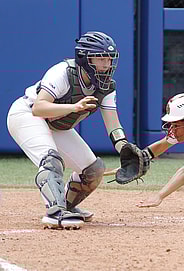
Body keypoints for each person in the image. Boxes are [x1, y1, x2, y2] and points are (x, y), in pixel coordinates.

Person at [7, 31, 131, 229]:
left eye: (109, 59)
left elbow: (113, 124)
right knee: (51, 160)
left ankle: (67, 206)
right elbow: (39, 108)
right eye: (100, 59)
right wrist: (74, 108)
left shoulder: (106, 86)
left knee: (93, 170)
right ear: (84, 58)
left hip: (57, 124)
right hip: (27, 115)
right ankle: (55, 212)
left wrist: (125, 148)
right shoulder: (63, 72)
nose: (106, 65)